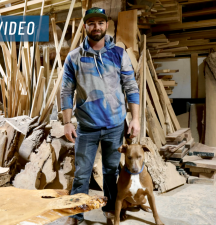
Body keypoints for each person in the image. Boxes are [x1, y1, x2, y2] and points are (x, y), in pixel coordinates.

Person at [60, 7, 141, 225]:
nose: (96, 27)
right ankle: (76, 214)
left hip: (115, 125)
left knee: (111, 171)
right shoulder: (74, 57)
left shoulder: (119, 54)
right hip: (87, 127)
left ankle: (110, 208)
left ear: (106, 25)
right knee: (82, 174)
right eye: (92, 23)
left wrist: (135, 119)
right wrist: (67, 123)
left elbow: (131, 87)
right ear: (85, 26)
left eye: (100, 23)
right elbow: (66, 91)